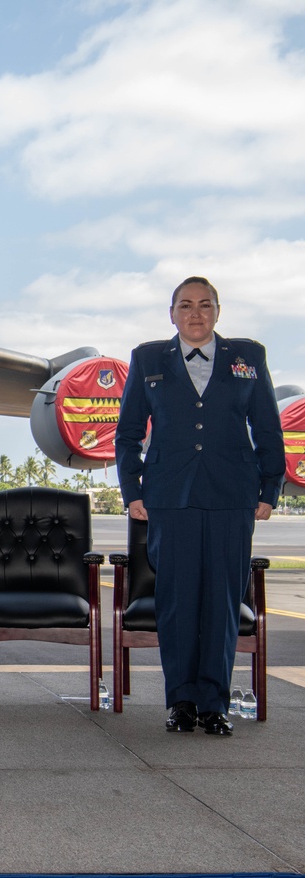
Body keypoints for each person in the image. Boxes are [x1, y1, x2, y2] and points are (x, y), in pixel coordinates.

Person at [115, 276, 284, 736]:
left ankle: (214, 703)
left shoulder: (248, 357)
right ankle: (181, 702)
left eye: (205, 305)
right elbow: (127, 433)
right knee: (177, 602)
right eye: (185, 305)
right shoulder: (148, 358)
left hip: (233, 497)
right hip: (171, 498)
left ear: (217, 312)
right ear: (172, 313)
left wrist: (270, 489)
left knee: (223, 602)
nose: (195, 313)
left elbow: (268, 427)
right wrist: (132, 491)